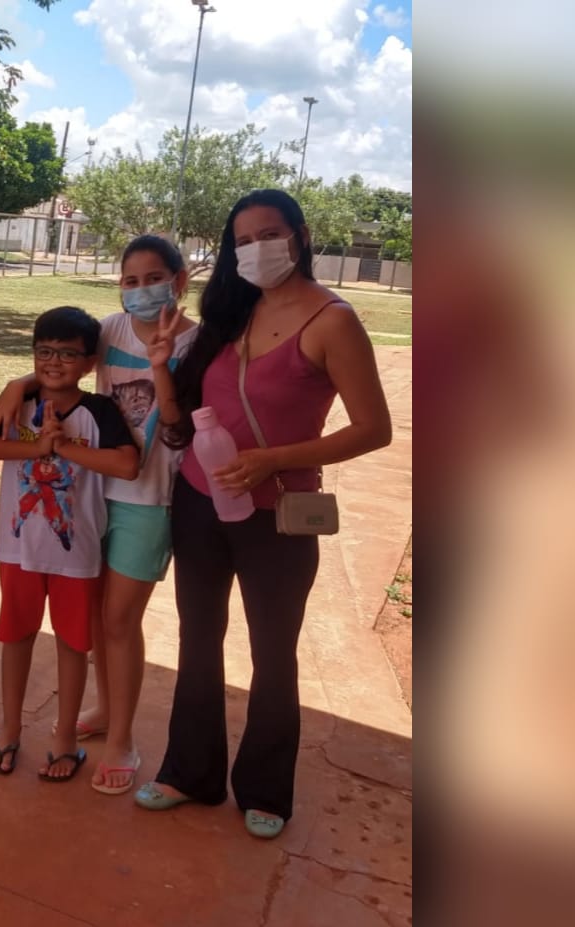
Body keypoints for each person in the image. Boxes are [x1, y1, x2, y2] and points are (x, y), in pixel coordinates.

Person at [132, 189, 392, 839]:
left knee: (272, 652)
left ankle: (265, 786)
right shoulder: (228, 312)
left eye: (267, 235)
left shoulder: (331, 321)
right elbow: (177, 422)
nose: (254, 250)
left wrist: (272, 458)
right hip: (199, 500)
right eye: (240, 241)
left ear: (299, 236)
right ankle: (189, 771)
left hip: (275, 513)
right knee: (197, 638)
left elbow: (373, 428)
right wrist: (161, 367)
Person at [0, 236, 199, 796]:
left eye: (154, 278)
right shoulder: (111, 329)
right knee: (94, 622)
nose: (142, 290)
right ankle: (100, 712)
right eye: (130, 280)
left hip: (149, 496)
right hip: (89, 497)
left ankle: (121, 738)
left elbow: (174, 427)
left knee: (119, 621)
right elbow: (58, 362)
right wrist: (14, 385)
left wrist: (162, 365)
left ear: (180, 281)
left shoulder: (201, 344)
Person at [0, 306, 140, 780]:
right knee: (16, 636)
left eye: (68, 354)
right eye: (44, 352)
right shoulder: (16, 406)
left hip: (77, 556)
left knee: (71, 643)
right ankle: (9, 729)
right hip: (19, 551)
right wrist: (36, 447)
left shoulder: (99, 411)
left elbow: (128, 465)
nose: (54, 362)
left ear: (89, 362)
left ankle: (66, 735)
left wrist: (65, 449)